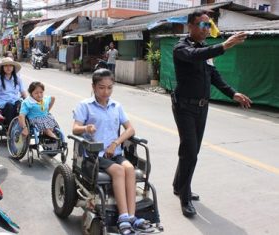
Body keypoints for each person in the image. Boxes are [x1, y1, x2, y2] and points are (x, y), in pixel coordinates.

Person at [171, 10, 252, 218]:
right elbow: (194, 56)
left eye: (208, 26)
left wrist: (233, 93)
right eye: (202, 25)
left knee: (192, 149)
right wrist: (224, 46)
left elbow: (215, 76)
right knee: (190, 150)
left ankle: (179, 185)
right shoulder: (181, 47)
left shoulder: (205, 50)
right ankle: (185, 196)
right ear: (190, 26)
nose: (206, 29)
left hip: (201, 107)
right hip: (184, 107)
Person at [72, 69, 153, 234]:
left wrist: (116, 143)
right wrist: (85, 127)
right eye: (101, 87)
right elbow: (74, 129)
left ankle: (132, 217)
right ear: (94, 87)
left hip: (114, 152)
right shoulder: (85, 106)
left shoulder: (117, 106)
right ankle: (123, 217)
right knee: (118, 171)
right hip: (94, 155)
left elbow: (130, 129)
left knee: (129, 168)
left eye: (109, 88)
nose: (105, 92)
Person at [0, 57, 27, 126]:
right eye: (6, 66)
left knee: (22, 105)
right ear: (3, 68)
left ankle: (23, 126)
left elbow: (23, 92)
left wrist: (29, 101)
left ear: (13, 67)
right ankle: (10, 128)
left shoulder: (18, 79)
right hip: (3, 104)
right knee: (9, 106)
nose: (8, 68)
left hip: (15, 101)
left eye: (10, 65)